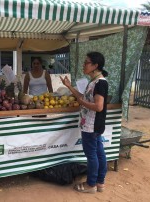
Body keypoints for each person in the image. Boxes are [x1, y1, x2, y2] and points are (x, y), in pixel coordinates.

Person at [60, 52, 108, 194]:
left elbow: (98, 106)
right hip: (92, 125)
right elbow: (83, 97)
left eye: (86, 62)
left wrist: (81, 103)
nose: (83, 65)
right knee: (99, 153)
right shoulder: (93, 82)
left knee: (92, 155)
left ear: (95, 66)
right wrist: (69, 86)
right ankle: (99, 183)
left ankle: (91, 184)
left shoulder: (100, 83)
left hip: (91, 126)